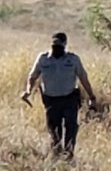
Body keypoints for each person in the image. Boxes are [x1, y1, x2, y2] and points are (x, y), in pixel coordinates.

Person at [21, 32, 97, 160]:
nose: (56, 47)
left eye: (59, 45)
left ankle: (68, 156)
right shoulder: (43, 58)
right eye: (54, 44)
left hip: (69, 99)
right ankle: (56, 157)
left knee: (71, 127)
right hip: (51, 101)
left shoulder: (73, 60)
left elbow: (83, 78)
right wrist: (28, 91)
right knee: (54, 131)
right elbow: (32, 76)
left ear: (65, 45)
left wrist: (92, 96)